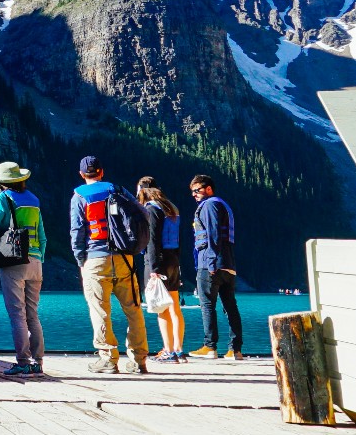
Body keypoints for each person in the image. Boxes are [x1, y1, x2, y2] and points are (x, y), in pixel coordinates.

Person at [69, 155, 148, 374]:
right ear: (102, 172)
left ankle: (108, 358)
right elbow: (142, 214)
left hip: (95, 258)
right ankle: (138, 359)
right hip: (124, 257)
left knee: (100, 309)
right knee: (133, 309)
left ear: (82, 174)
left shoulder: (79, 196)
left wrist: (80, 259)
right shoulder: (118, 190)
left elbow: (77, 231)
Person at [0, 160, 45, 376]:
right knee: (32, 313)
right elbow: (42, 235)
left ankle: (23, 361)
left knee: (17, 314)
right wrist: (40, 257)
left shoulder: (2, 198)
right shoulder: (34, 200)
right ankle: (38, 362)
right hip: (36, 262)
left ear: (1, 182)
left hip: (14, 262)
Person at [189, 173, 244, 359]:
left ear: (209, 189)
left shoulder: (210, 205)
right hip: (228, 263)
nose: (194, 195)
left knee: (207, 305)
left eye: (197, 190)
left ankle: (210, 347)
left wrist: (211, 261)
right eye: (192, 192)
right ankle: (235, 350)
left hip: (210, 263)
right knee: (230, 305)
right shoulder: (222, 204)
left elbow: (212, 234)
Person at [137, 176, 187, 362]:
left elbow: (152, 240)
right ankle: (179, 350)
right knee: (175, 307)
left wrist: (153, 268)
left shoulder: (151, 208)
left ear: (144, 190)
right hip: (173, 259)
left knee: (161, 308)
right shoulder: (171, 208)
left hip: (158, 262)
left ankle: (168, 350)